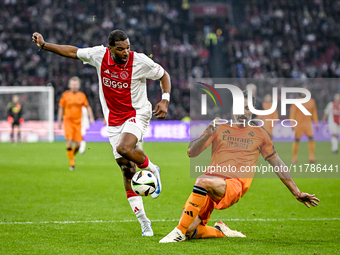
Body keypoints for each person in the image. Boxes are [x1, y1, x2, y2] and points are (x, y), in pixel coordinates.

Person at [32, 29, 171, 236]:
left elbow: (163, 75)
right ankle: (144, 221)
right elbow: (72, 52)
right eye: (120, 49)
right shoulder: (99, 55)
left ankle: (152, 168)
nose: (125, 52)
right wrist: (45, 45)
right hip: (113, 121)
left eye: (128, 48)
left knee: (124, 148)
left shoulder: (139, 61)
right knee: (126, 169)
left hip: (138, 113)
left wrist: (165, 98)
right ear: (111, 48)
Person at [159, 90, 319, 243]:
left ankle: (178, 232)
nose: (243, 112)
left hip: (234, 184)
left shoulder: (260, 134)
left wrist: (296, 192)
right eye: (240, 108)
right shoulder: (218, 128)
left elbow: (278, 164)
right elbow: (191, 152)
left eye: (248, 108)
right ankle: (220, 231)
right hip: (210, 185)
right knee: (190, 229)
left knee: (202, 181)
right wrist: (208, 133)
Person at [58, 77, 95, 170]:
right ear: (69, 85)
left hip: (78, 123)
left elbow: (88, 107)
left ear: (78, 86)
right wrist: (59, 120)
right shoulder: (65, 95)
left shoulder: (82, 96)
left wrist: (91, 117)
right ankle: (72, 163)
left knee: (78, 145)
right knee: (69, 142)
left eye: (76, 84)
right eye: (73, 84)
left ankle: (71, 155)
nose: (74, 86)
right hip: (68, 122)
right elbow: (61, 108)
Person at [289, 92, 318, 163]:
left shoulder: (311, 101)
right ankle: (294, 157)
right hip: (299, 124)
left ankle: (311, 157)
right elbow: (292, 113)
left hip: (308, 123)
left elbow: (314, 112)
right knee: (297, 140)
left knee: (311, 139)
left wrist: (316, 123)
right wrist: (292, 123)